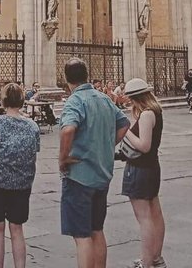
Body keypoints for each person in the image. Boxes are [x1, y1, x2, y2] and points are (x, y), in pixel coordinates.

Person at [59, 58, 129, 268]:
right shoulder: (104, 98)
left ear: (66, 78)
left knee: (82, 236)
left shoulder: (75, 100)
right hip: (101, 175)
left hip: (79, 176)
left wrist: (63, 158)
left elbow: (68, 129)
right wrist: (108, 144)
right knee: (97, 230)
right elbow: (124, 123)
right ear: (86, 75)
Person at [0, 83, 41, 268]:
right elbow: (34, 150)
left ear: (4, 101)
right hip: (22, 183)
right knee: (17, 229)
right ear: (23, 101)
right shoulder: (32, 125)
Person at [120, 78, 166, 268]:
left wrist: (125, 131)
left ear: (135, 97)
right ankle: (156, 258)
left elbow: (144, 146)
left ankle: (146, 262)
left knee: (145, 219)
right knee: (155, 215)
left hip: (140, 169)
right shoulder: (156, 111)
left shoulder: (147, 114)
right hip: (152, 167)